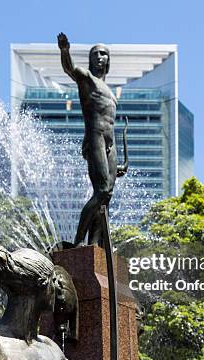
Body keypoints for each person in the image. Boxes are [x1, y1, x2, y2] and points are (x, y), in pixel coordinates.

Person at [58, 32, 122, 246]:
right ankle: (77, 243)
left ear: (108, 60)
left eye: (104, 54)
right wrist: (64, 50)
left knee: (107, 197)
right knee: (101, 190)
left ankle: (94, 244)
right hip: (95, 137)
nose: (100, 57)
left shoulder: (112, 94)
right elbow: (69, 69)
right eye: (95, 54)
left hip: (111, 145)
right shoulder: (87, 80)